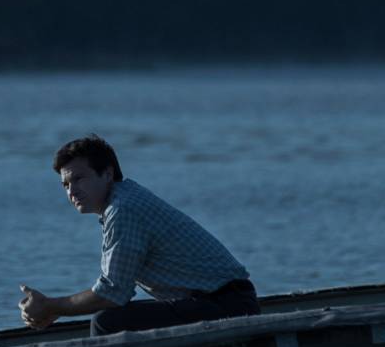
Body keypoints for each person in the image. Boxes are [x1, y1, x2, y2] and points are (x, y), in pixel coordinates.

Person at [19, 135, 257, 336]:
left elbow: (112, 294)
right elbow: (114, 289)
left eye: (79, 178)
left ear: (107, 173)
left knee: (107, 322)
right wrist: (56, 309)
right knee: (114, 317)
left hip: (227, 305)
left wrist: (50, 306)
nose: (72, 191)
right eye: (65, 184)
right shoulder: (122, 200)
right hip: (220, 301)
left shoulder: (123, 209)